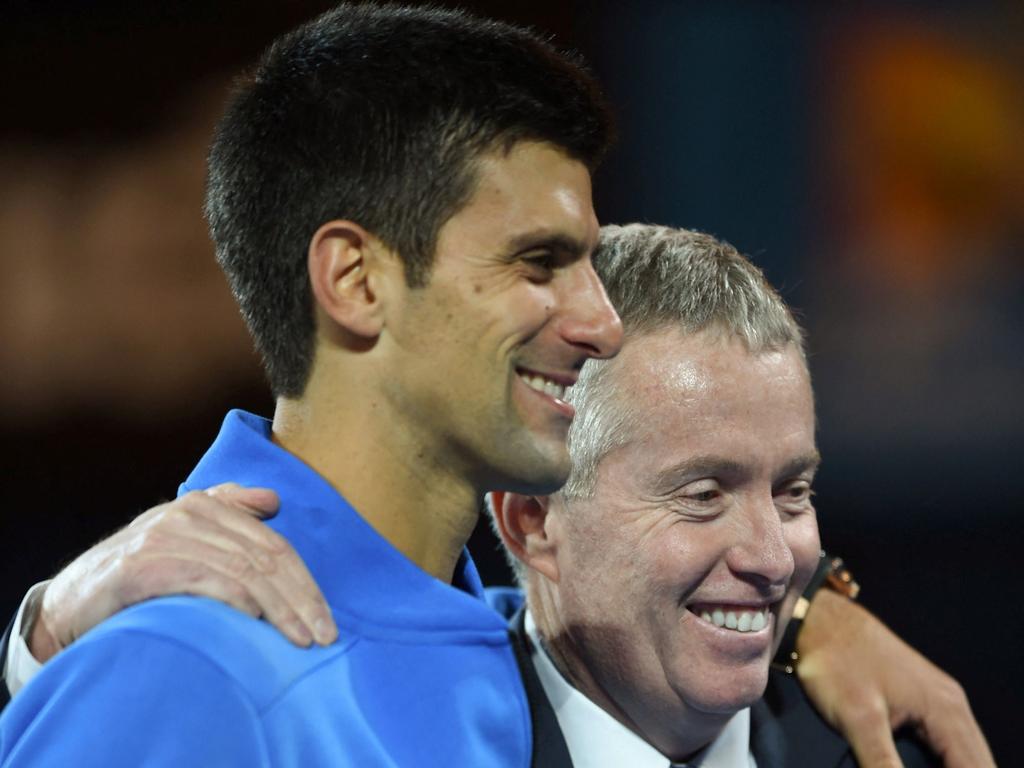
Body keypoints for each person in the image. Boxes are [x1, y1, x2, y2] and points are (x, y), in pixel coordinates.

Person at [0, 4, 992, 767]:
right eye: (537, 263)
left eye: (590, 264)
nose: (599, 322)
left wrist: (811, 613)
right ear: (355, 281)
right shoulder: (195, 665)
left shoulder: (495, 651)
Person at [485, 223, 963, 765]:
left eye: (793, 492)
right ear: (533, 519)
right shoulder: (409, 741)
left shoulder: (888, 755)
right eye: (704, 495)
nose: (775, 561)